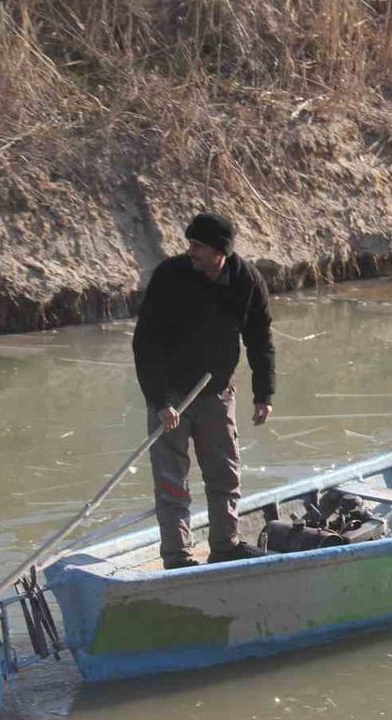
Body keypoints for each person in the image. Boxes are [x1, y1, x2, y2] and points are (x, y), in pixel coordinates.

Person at [132, 212, 275, 569]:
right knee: (172, 480)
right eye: (190, 244)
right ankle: (177, 557)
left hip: (216, 394)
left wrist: (263, 394)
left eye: (198, 245)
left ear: (219, 251)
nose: (190, 250)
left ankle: (225, 546)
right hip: (171, 396)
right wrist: (159, 401)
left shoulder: (246, 281)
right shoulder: (171, 275)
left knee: (224, 474)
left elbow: (260, 340)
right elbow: (145, 342)